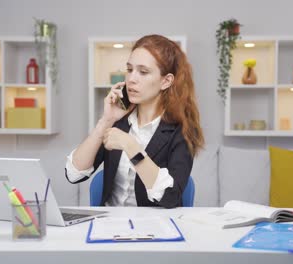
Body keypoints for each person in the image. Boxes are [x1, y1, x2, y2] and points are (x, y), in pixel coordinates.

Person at [65, 34, 204, 208]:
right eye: (130, 70)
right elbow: (74, 174)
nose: (131, 79)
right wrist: (106, 121)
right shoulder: (118, 122)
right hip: (109, 224)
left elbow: (170, 197)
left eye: (143, 72)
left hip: (153, 228)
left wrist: (130, 145)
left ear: (166, 81)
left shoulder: (182, 130)